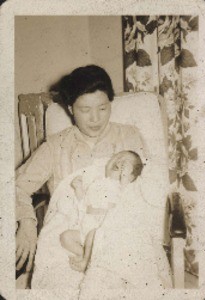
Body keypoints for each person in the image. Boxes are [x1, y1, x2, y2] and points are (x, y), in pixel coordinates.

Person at [16, 64, 146, 274]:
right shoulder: (55, 146)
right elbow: (16, 187)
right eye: (85, 110)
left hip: (120, 232)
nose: (95, 119)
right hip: (68, 237)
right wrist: (27, 222)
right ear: (70, 109)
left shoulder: (129, 136)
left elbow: (149, 187)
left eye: (102, 108)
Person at [31, 150, 143, 289]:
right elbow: (83, 203)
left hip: (103, 230)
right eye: (117, 157)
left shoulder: (121, 186)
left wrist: (125, 177)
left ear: (131, 176)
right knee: (65, 237)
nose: (119, 161)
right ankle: (88, 255)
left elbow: (126, 199)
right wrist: (78, 189)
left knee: (93, 235)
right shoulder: (96, 183)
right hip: (86, 226)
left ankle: (85, 262)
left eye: (125, 163)